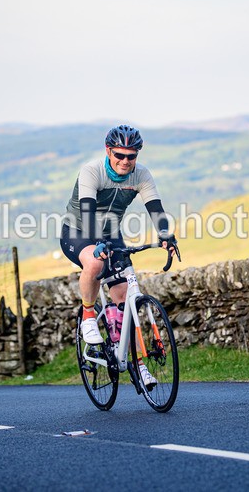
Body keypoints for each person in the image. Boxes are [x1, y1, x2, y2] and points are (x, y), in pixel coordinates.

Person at [60, 125, 178, 389]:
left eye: (131, 156)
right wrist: (97, 244)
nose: (125, 161)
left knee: (126, 300)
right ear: (108, 151)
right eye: (119, 155)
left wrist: (166, 235)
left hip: (111, 232)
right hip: (78, 230)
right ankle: (89, 317)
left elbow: (155, 209)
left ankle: (140, 366)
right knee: (95, 261)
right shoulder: (92, 171)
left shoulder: (141, 175)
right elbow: (89, 213)